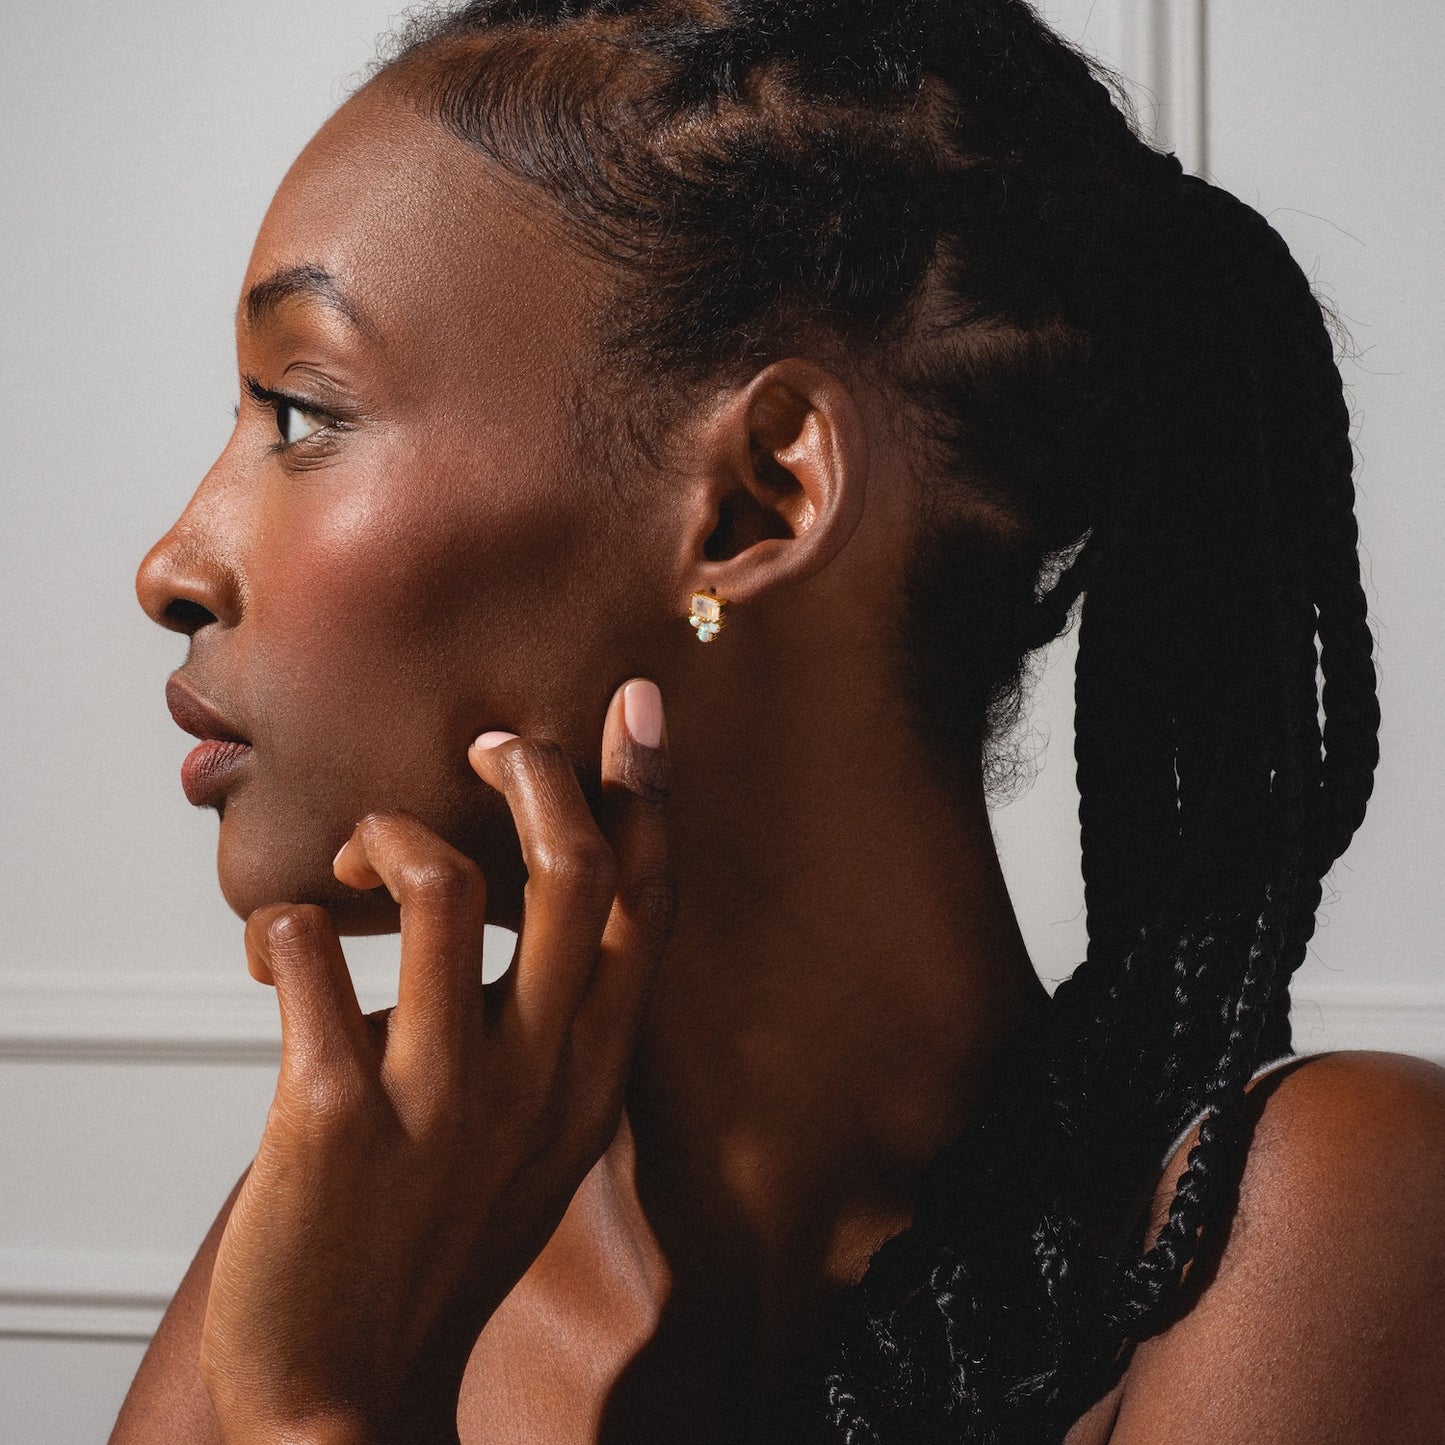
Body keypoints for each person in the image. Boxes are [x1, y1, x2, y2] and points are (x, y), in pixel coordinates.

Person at [113, 1, 1445, 1441]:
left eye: (301, 413)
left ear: (757, 498)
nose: (169, 566)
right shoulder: (350, 1225)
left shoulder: (1291, 1226)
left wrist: (322, 1412)